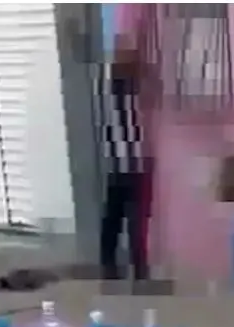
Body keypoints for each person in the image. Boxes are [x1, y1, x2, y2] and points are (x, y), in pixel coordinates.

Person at [98, 39, 149, 282]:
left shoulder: (114, 91)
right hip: (128, 164)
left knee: (117, 218)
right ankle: (135, 267)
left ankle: (115, 265)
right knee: (130, 219)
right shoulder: (128, 94)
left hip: (122, 163)